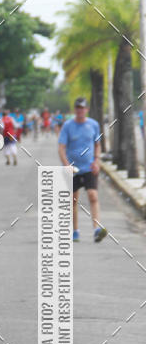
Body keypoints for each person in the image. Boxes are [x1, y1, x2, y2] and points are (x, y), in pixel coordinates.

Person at [58, 97, 107, 243]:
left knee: (93, 195)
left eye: (83, 108)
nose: (80, 110)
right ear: (75, 109)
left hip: (88, 167)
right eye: (78, 108)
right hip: (72, 168)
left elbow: (97, 144)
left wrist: (96, 161)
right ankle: (75, 231)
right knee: (73, 200)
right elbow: (61, 148)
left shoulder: (94, 125)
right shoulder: (68, 126)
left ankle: (97, 229)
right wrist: (66, 165)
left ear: (86, 110)